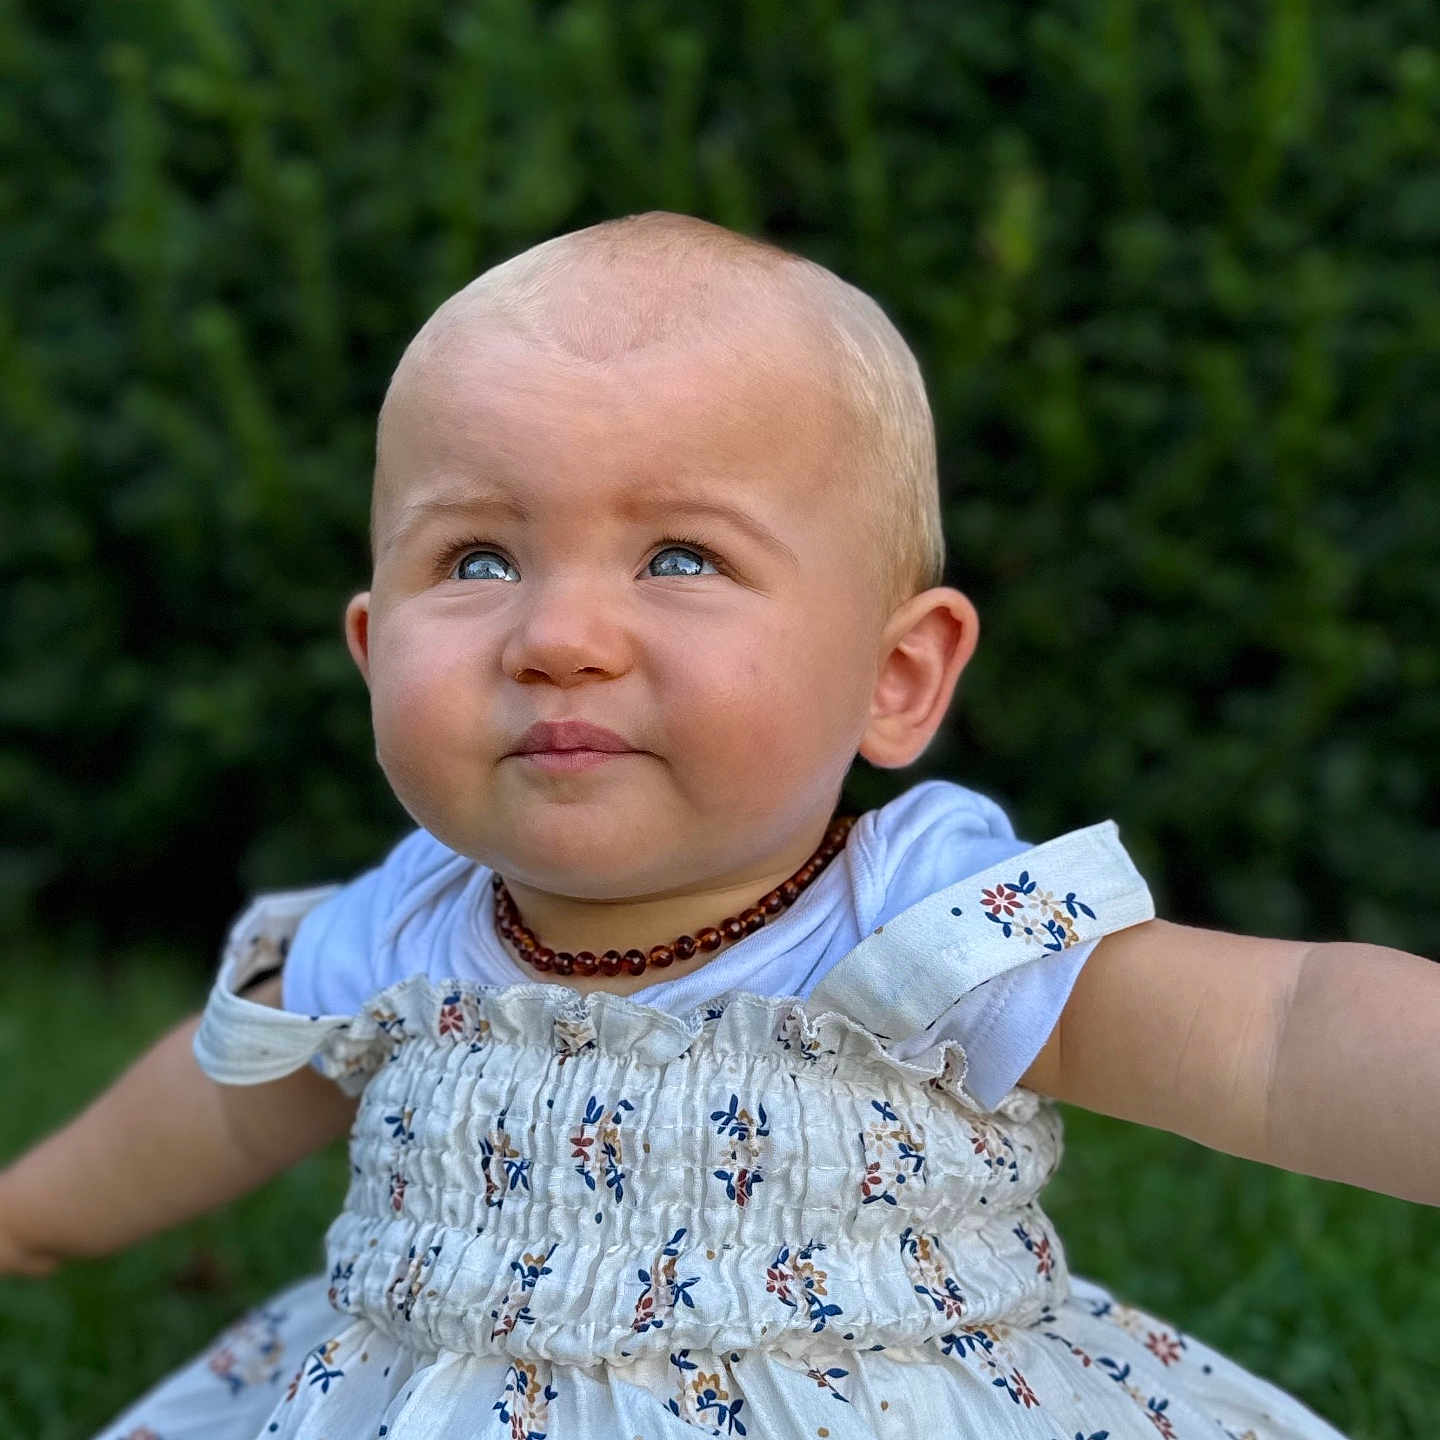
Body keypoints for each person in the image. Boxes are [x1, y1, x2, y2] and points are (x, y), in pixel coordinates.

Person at [2, 211, 1435, 1440]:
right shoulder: (401, 932)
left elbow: (1281, 1030)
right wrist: (30, 1213)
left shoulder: (921, 929)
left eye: (681, 555)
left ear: (896, 675)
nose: (559, 635)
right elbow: (210, 1103)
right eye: (477, 557)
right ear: (373, 651)